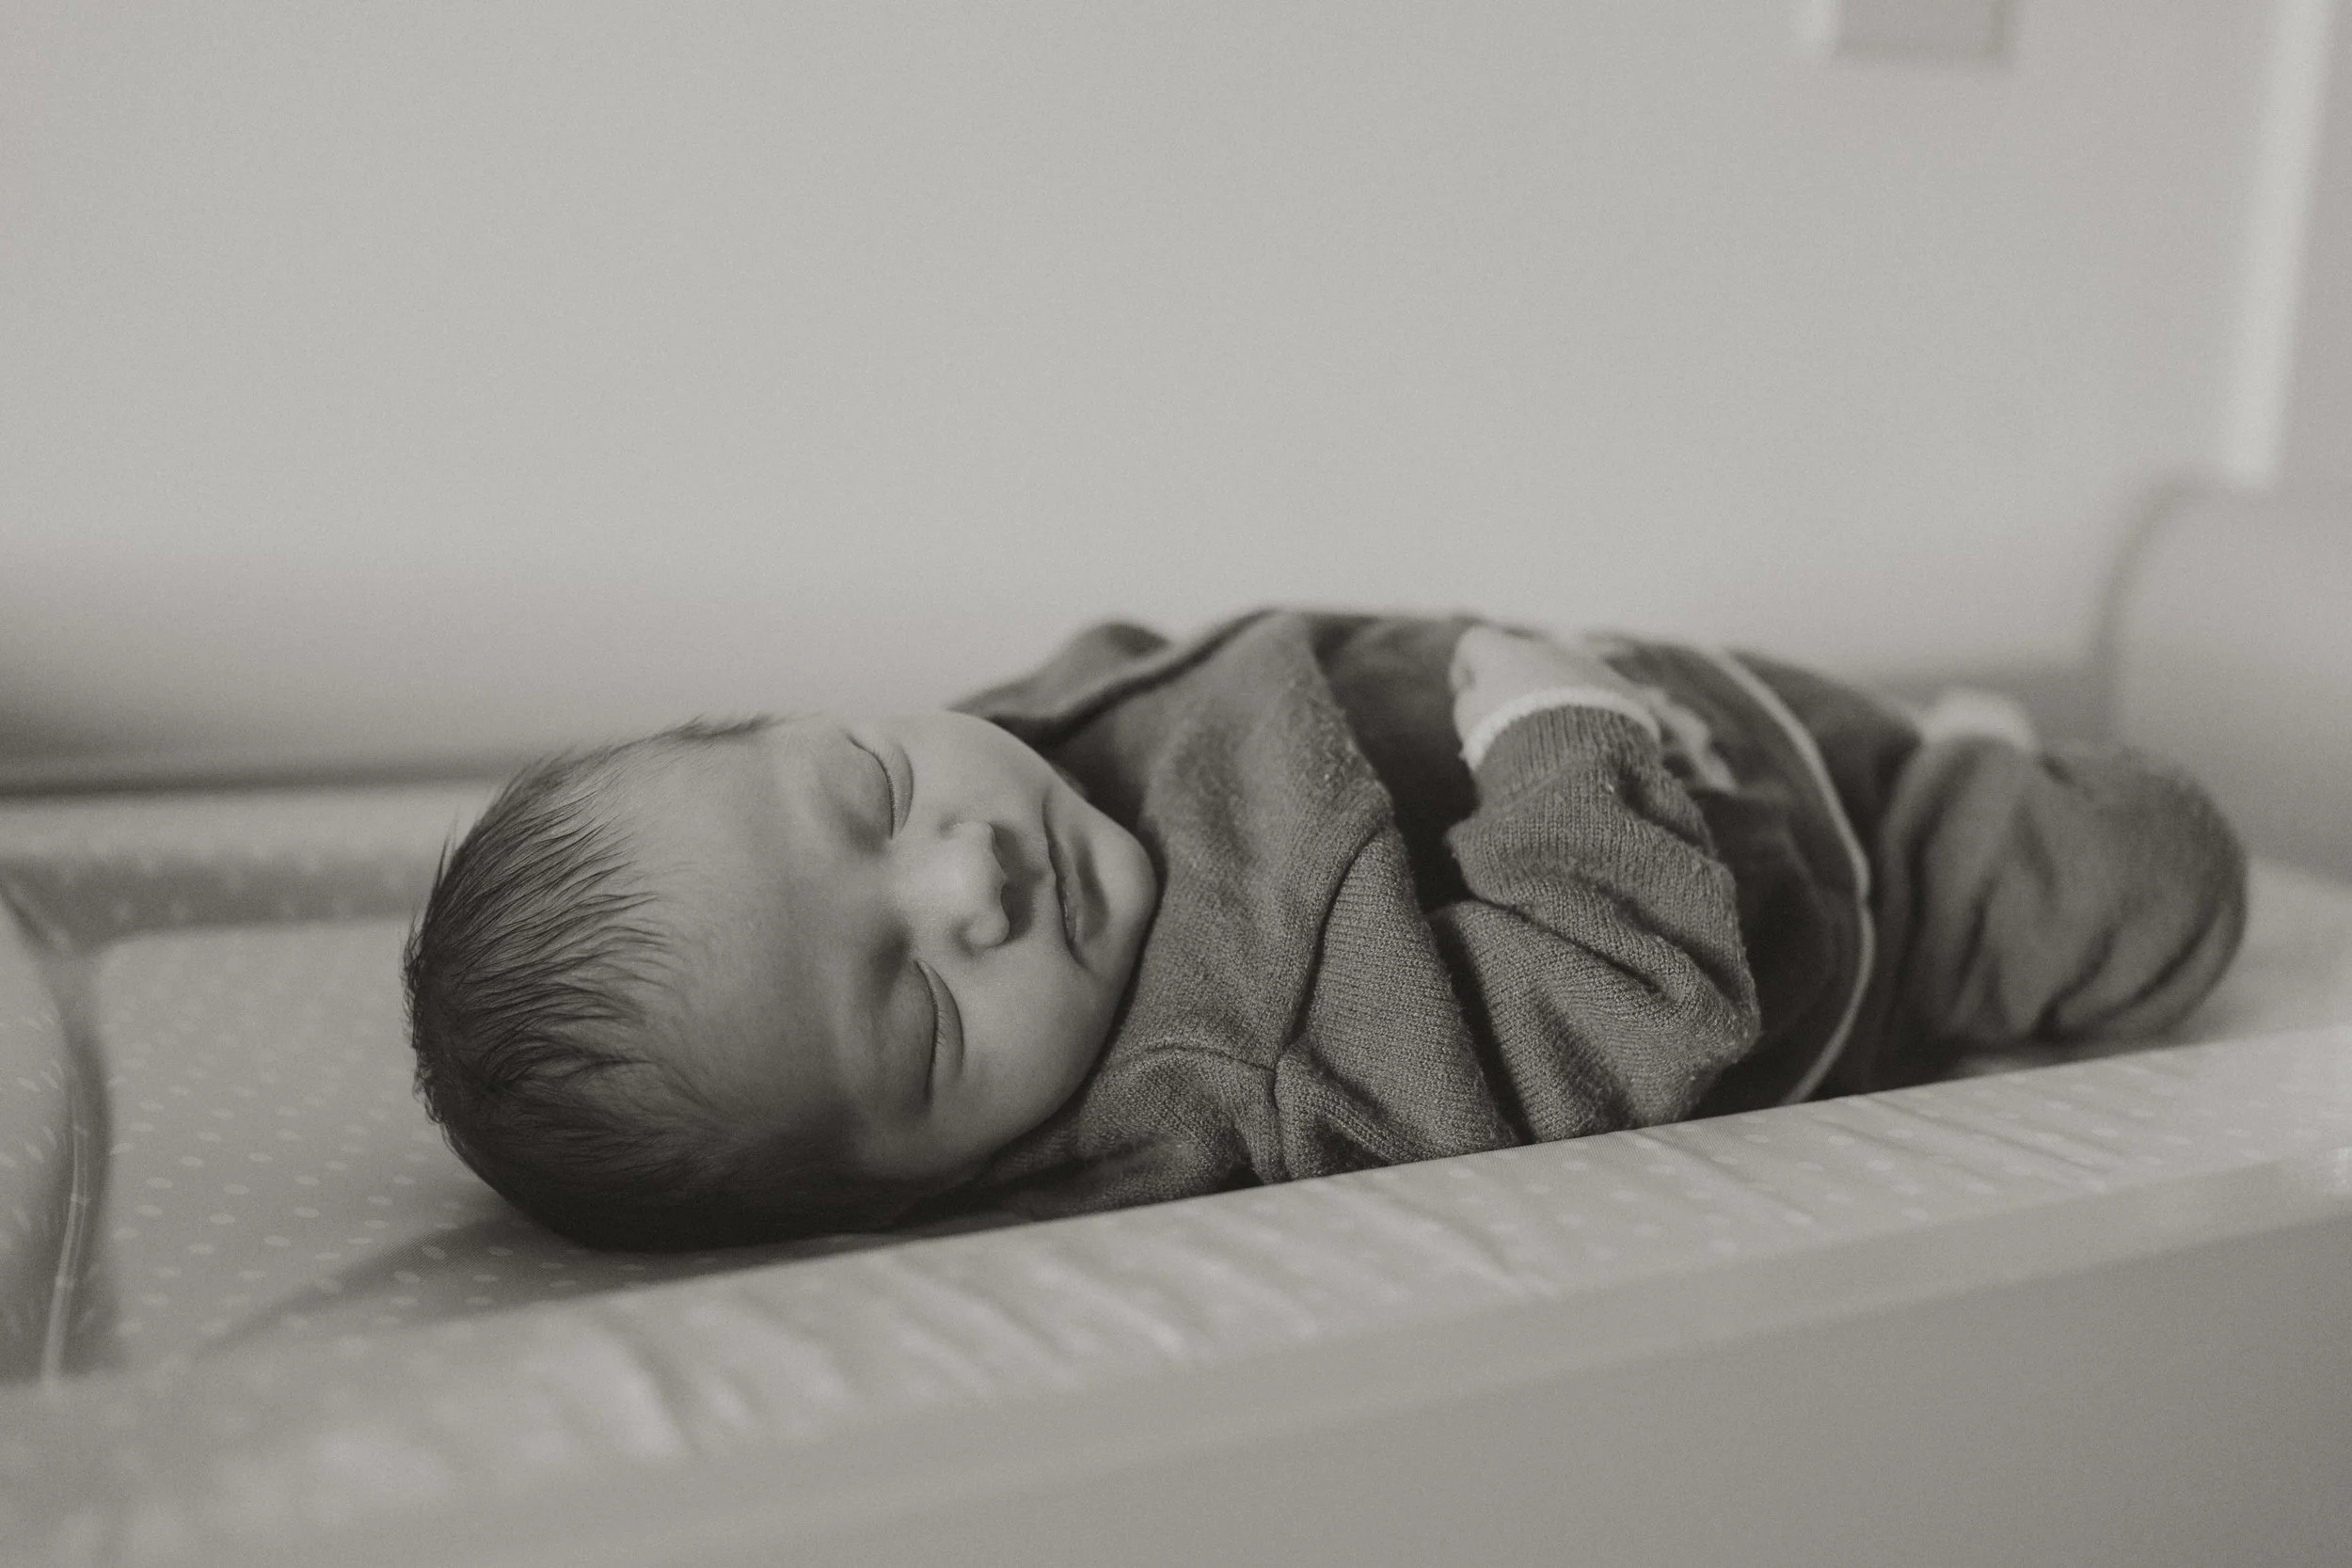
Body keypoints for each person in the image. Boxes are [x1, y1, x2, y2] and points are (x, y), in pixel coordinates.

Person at [404, 611, 2248, 1250]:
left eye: (871, 794)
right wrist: (1554, 736)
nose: (967, 879)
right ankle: (1970, 791)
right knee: (2149, 860)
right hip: (1854, 903)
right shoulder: (1254, 1053)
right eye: (925, 1022)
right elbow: (1620, 1003)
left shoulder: (1006, 751)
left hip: (1712, 721)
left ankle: (1915, 737)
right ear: (913, 1193)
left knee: (1877, 726)